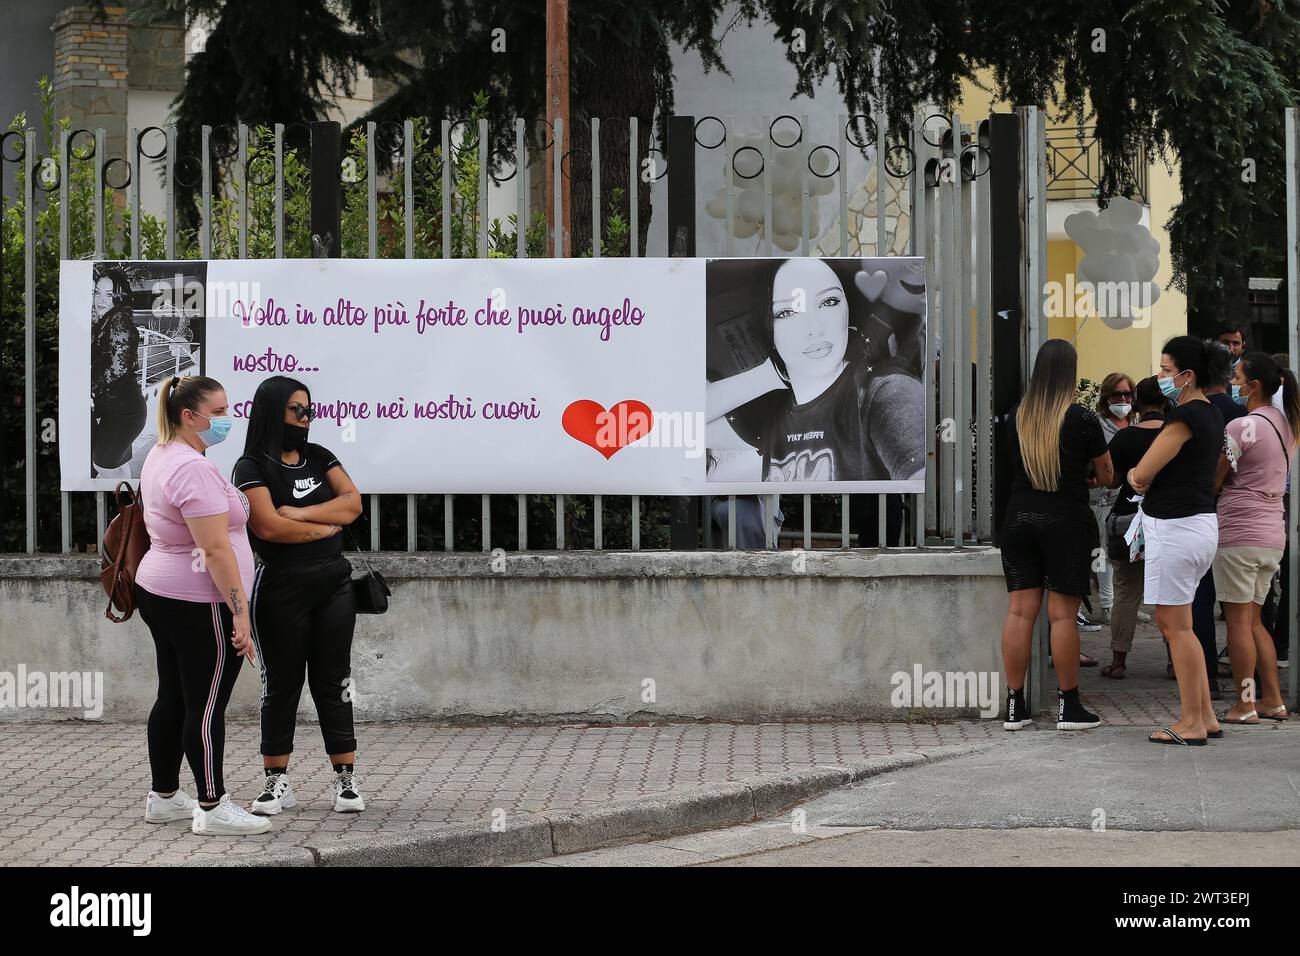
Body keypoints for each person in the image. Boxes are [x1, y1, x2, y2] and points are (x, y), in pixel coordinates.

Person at [133, 374, 270, 835]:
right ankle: (212, 807)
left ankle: (164, 797)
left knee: (174, 694)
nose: (227, 419)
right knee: (206, 703)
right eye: (218, 412)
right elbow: (214, 551)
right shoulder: (192, 467)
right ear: (189, 416)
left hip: (161, 590)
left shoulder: (163, 452)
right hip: (198, 600)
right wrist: (240, 611)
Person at [233, 376, 366, 814]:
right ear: (274, 411)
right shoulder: (251, 465)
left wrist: (303, 514)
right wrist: (324, 529)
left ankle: (345, 779)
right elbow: (268, 526)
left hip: (334, 585)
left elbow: (353, 504)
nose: (306, 419)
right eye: (296, 410)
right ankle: (277, 782)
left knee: (334, 681)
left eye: (309, 410)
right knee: (282, 685)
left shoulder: (320, 456)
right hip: (280, 589)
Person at [706, 258, 925, 483]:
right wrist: (769, 373)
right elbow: (684, 422)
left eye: (828, 302)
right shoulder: (773, 415)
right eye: (786, 313)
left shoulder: (884, 390)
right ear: (769, 329)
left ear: (848, 310)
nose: (814, 329)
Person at [999, 339, 1111, 732]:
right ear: (1070, 372)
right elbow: (1108, 474)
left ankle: (1015, 706)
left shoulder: (1016, 416)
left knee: (1018, 612)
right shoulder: (1081, 417)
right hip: (1066, 518)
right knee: (1062, 615)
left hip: (1019, 518)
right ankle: (1069, 707)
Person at [1128, 336, 1225, 745]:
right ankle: (1205, 715)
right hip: (1199, 524)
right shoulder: (1210, 412)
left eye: (1167, 371)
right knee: (1181, 624)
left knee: (1174, 624)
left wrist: (1135, 477)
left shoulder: (1184, 416)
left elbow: (1142, 473)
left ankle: (1190, 722)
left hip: (1176, 527)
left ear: (1188, 376)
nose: (1160, 377)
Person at [1213, 352, 1297, 724]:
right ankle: (1273, 700)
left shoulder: (1241, 427)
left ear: (1255, 385)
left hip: (1238, 533)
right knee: (1255, 621)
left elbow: (1216, 478)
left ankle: (1245, 703)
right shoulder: (1286, 424)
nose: (1233, 381)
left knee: (1237, 624)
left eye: (1237, 376)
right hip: (1271, 535)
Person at [1189, 343, 1246, 698]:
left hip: (1200, 514)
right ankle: (1250, 688)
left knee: (1199, 600)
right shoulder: (1242, 414)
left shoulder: (1194, 414)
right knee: (1243, 613)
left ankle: (1203, 675)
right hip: (1241, 520)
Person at [1100, 376, 1167, 678]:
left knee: (1126, 592)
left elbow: (1111, 480)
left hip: (1128, 522)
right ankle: (1176, 660)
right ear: (1167, 401)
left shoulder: (1124, 438)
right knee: (1170, 595)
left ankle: (1118, 661)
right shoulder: (1175, 435)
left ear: (1138, 402)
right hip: (1169, 520)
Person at [1085, 373, 1135, 633]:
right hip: (1102, 499)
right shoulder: (1098, 425)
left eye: (1128, 394)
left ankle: (1126, 606)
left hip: (1130, 500)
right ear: (1106, 397)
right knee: (1103, 554)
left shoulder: (1134, 423)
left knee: (1129, 556)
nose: (1124, 399)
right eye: (1118, 395)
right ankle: (1107, 606)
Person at [91, 267, 146, 479]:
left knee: (103, 464)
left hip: (125, 412)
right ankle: (133, 508)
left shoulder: (119, 320)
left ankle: (128, 507)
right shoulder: (108, 319)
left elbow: (117, 368)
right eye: (97, 293)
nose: (100, 300)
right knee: (119, 464)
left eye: (108, 294)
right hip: (117, 409)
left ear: (118, 296)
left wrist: (87, 388)